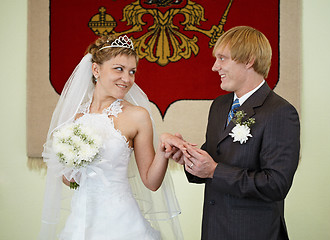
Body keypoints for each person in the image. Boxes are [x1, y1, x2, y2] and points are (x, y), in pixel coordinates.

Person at [39, 34, 185, 240]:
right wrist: (72, 163)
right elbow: (69, 180)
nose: (127, 79)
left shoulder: (138, 116)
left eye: (132, 71)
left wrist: (163, 153)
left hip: (123, 222)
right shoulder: (75, 117)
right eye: (119, 69)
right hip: (81, 220)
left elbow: (151, 183)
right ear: (96, 70)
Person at [173, 26, 300, 239]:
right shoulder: (220, 105)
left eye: (222, 58)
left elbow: (276, 185)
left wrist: (214, 170)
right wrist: (188, 159)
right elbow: (213, 159)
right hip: (214, 230)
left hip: (254, 233)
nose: (215, 67)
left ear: (249, 60)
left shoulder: (280, 112)